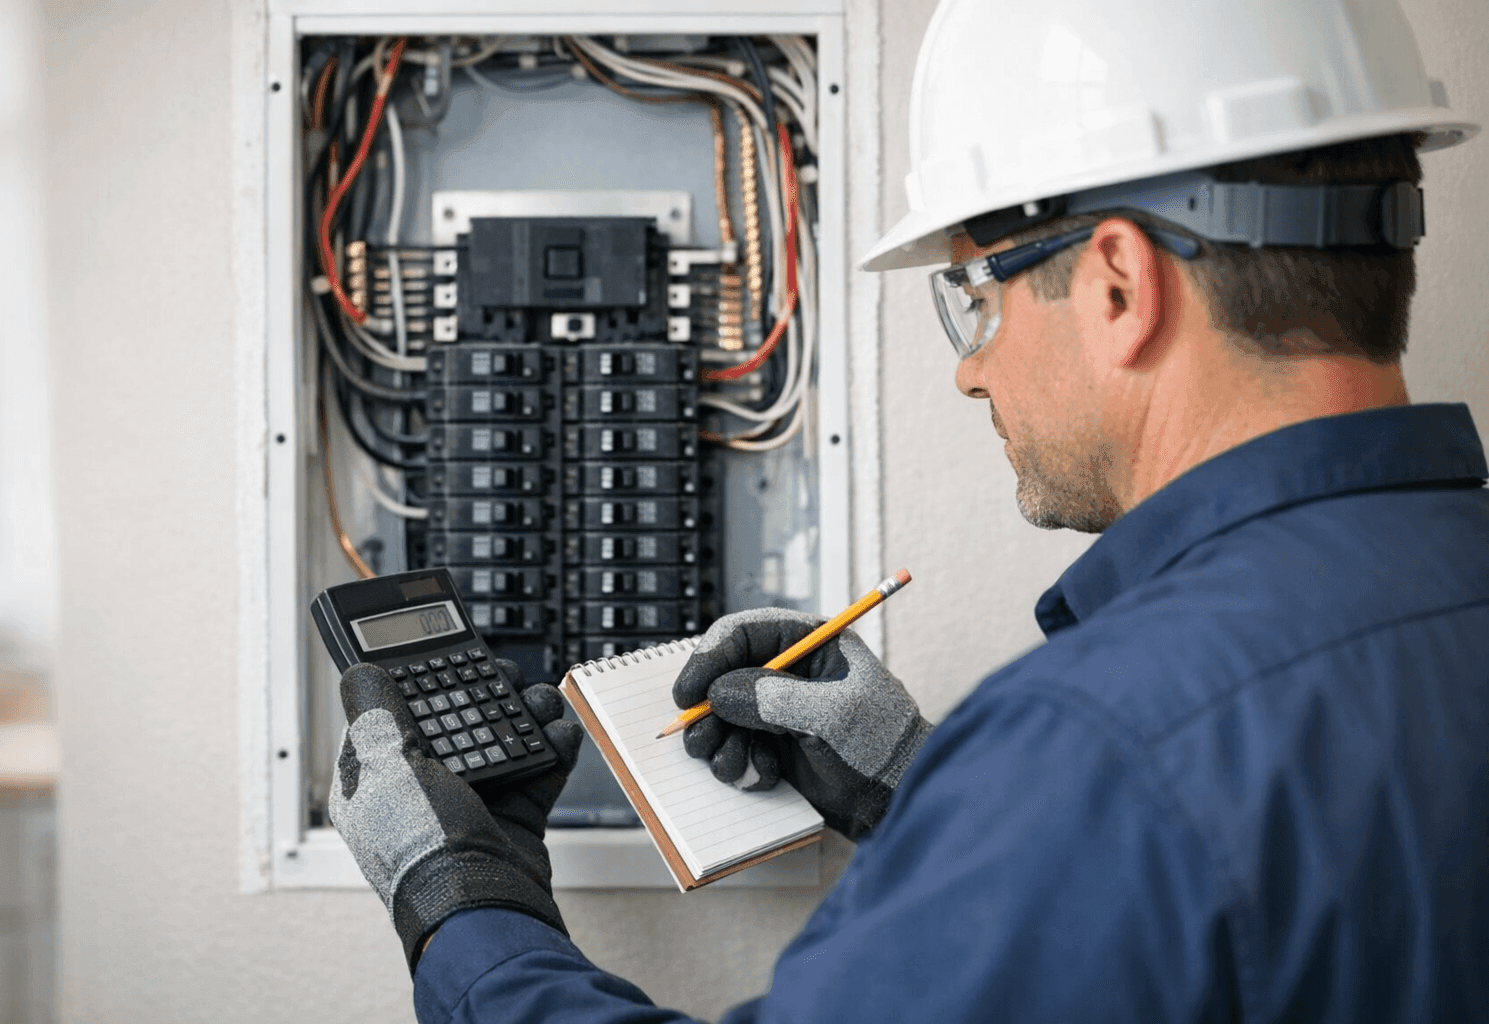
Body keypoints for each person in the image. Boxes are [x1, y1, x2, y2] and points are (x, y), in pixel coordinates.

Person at [328, 2, 1489, 1020]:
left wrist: (458, 899)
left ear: (1119, 285)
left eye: (975, 297)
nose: (971, 372)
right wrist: (922, 789)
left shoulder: (1101, 745)